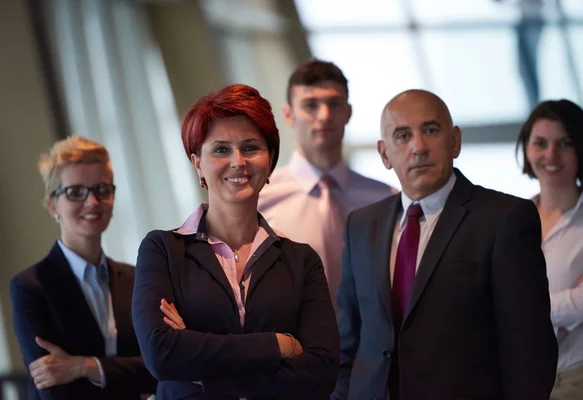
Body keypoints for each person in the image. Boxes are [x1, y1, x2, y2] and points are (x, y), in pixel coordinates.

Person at [332, 89, 558, 400]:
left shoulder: (504, 219)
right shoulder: (360, 226)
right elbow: (349, 341)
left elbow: (529, 349)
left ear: (455, 141)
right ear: (385, 154)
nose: (418, 147)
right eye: (403, 135)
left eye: (431, 130)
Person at [132, 84, 339, 400]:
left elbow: (321, 373)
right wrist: (279, 345)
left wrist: (202, 372)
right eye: (220, 149)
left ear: (269, 161)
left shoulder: (302, 260)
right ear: (197, 162)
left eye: (251, 147)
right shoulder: (162, 250)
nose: (238, 161)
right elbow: (162, 355)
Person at [10, 136, 156, 400]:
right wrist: (127, 375)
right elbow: (54, 388)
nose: (92, 202)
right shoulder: (31, 286)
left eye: (102, 190)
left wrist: (83, 367)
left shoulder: (136, 279)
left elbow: (158, 369)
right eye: (75, 192)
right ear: (52, 205)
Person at [258, 59, 396, 309]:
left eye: (334, 104)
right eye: (311, 105)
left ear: (348, 113)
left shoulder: (386, 200)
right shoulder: (258, 201)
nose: (324, 115)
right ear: (289, 114)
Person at [517, 99, 583, 399]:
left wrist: (518, 307)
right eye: (540, 143)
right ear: (526, 149)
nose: (551, 155)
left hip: (580, 382)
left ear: (582, 149)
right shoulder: (509, 219)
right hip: (518, 380)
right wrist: (562, 305)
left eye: (565, 143)